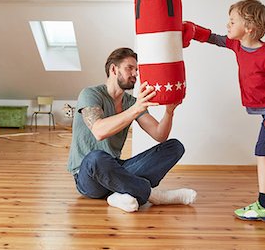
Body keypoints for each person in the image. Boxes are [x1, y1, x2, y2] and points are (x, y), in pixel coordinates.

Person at [182, 0, 265, 222]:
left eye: (232, 20)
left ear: (249, 28)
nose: (228, 24)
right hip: (264, 110)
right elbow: (216, 39)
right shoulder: (237, 45)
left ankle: (264, 205)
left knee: (262, 150)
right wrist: (195, 32)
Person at [67, 47, 196, 213]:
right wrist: (136, 109)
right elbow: (99, 131)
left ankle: (119, 193)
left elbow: (159, 135)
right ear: (114, 69)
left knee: (174, 147)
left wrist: (169, 112)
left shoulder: (130, 102)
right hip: (88, 176)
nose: (135, 73)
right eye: (130, 68)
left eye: (137, 69)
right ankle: (152, 195)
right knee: (95, 158)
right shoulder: (90, 94)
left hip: (115, 169)